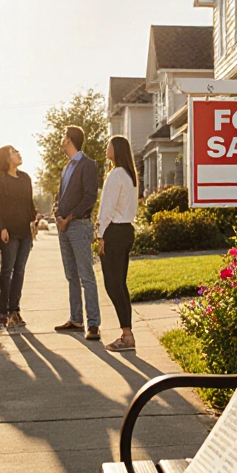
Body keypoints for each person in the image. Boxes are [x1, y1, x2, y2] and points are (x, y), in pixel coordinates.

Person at [53, 125, 101, 340]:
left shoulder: (88, 165)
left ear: (70, 140)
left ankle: (93, 324)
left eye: (64, 137)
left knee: (86, 276)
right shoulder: (66, 167)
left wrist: (69, 217)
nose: (61, 140)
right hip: (63, 227)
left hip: (79, 226)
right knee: (71, 275)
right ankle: (76, 319)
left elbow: (90, 196)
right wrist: (57, 214)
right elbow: (60, 196)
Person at [0, 145, 40, 329]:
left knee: (20, 271)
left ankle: (15, 311)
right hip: (8, 232)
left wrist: (33, 221)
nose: (18, 153)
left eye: (17, 151)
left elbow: (29, 203)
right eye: (14, 152)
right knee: (7, 271)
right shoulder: (0, 180)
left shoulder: (25, 178)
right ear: (7, 159)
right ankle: (3, 312)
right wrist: (2, 228)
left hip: (24, 231)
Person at [97, 136, 139, 352]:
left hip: (113, 231)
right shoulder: (130, 176)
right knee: (119, 284)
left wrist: (100, 235)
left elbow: (106, 208)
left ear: (117, 149)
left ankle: (127, 335)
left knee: (113, 284)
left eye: (109, 144)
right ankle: (127, 333)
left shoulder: (115, 175)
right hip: (126, 230)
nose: (107, 148)